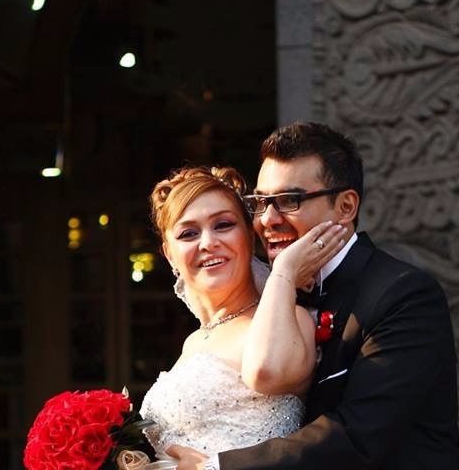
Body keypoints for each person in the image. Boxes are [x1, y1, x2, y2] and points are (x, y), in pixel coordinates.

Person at [168, 122, 459, 469]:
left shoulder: (402, 293)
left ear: (346, 206)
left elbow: (360, 434)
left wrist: (217, 467)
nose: (267, 220)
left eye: (289, 200)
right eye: (261, 202)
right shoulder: (279, 297)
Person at [135, 165, 347, 469]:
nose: (207, 243)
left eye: (223, 225)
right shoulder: (194, 342)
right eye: (189, 233)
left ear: (250, 235)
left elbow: (266, 372)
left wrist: (284, 271)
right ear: (169, 253)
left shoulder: (293, 318)